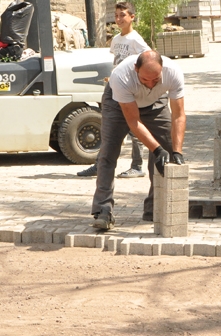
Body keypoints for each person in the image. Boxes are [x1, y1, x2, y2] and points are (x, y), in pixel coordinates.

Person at [91, 50, 186, 230]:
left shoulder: (173, 72)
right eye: (144, 80)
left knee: (168, 147)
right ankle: (102, 210)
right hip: (119, 105)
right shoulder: (121, 76)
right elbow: (133, 121)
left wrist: (177, 151)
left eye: (155, 80)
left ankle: (154, 207)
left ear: (162, 70)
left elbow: (179, 116)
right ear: (136, 69)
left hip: (155, 103)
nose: (150, 84)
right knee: (108, 153)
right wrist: (156, 149)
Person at [77, 2, 151, 178]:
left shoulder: (136, 40)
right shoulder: (117, 40)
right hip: (113, 87)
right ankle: (99, 164)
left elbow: (148, 60)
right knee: (107, 125)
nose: (119, 19)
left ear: (132, 17)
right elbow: (117, 62)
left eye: (123, 15)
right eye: (117, 15)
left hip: (129, 90)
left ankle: (137, 166)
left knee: (134, 127)